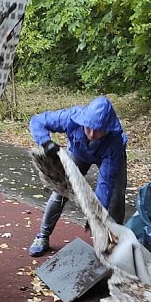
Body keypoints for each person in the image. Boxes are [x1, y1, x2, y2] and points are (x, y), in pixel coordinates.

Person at [27, 95, 128, 256]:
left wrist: (95, 213)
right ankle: (43, 236)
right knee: (60, 191)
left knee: (116, 195)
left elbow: (105, 183)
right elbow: (37, 121)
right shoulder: (71, 118)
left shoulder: (114, 142)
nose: (92, 134)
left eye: (98, 130)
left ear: (108, 128)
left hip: (108, 156)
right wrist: (46, 143)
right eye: (88, 127)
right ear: (83, 121)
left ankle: (113, 241)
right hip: (79, 153)